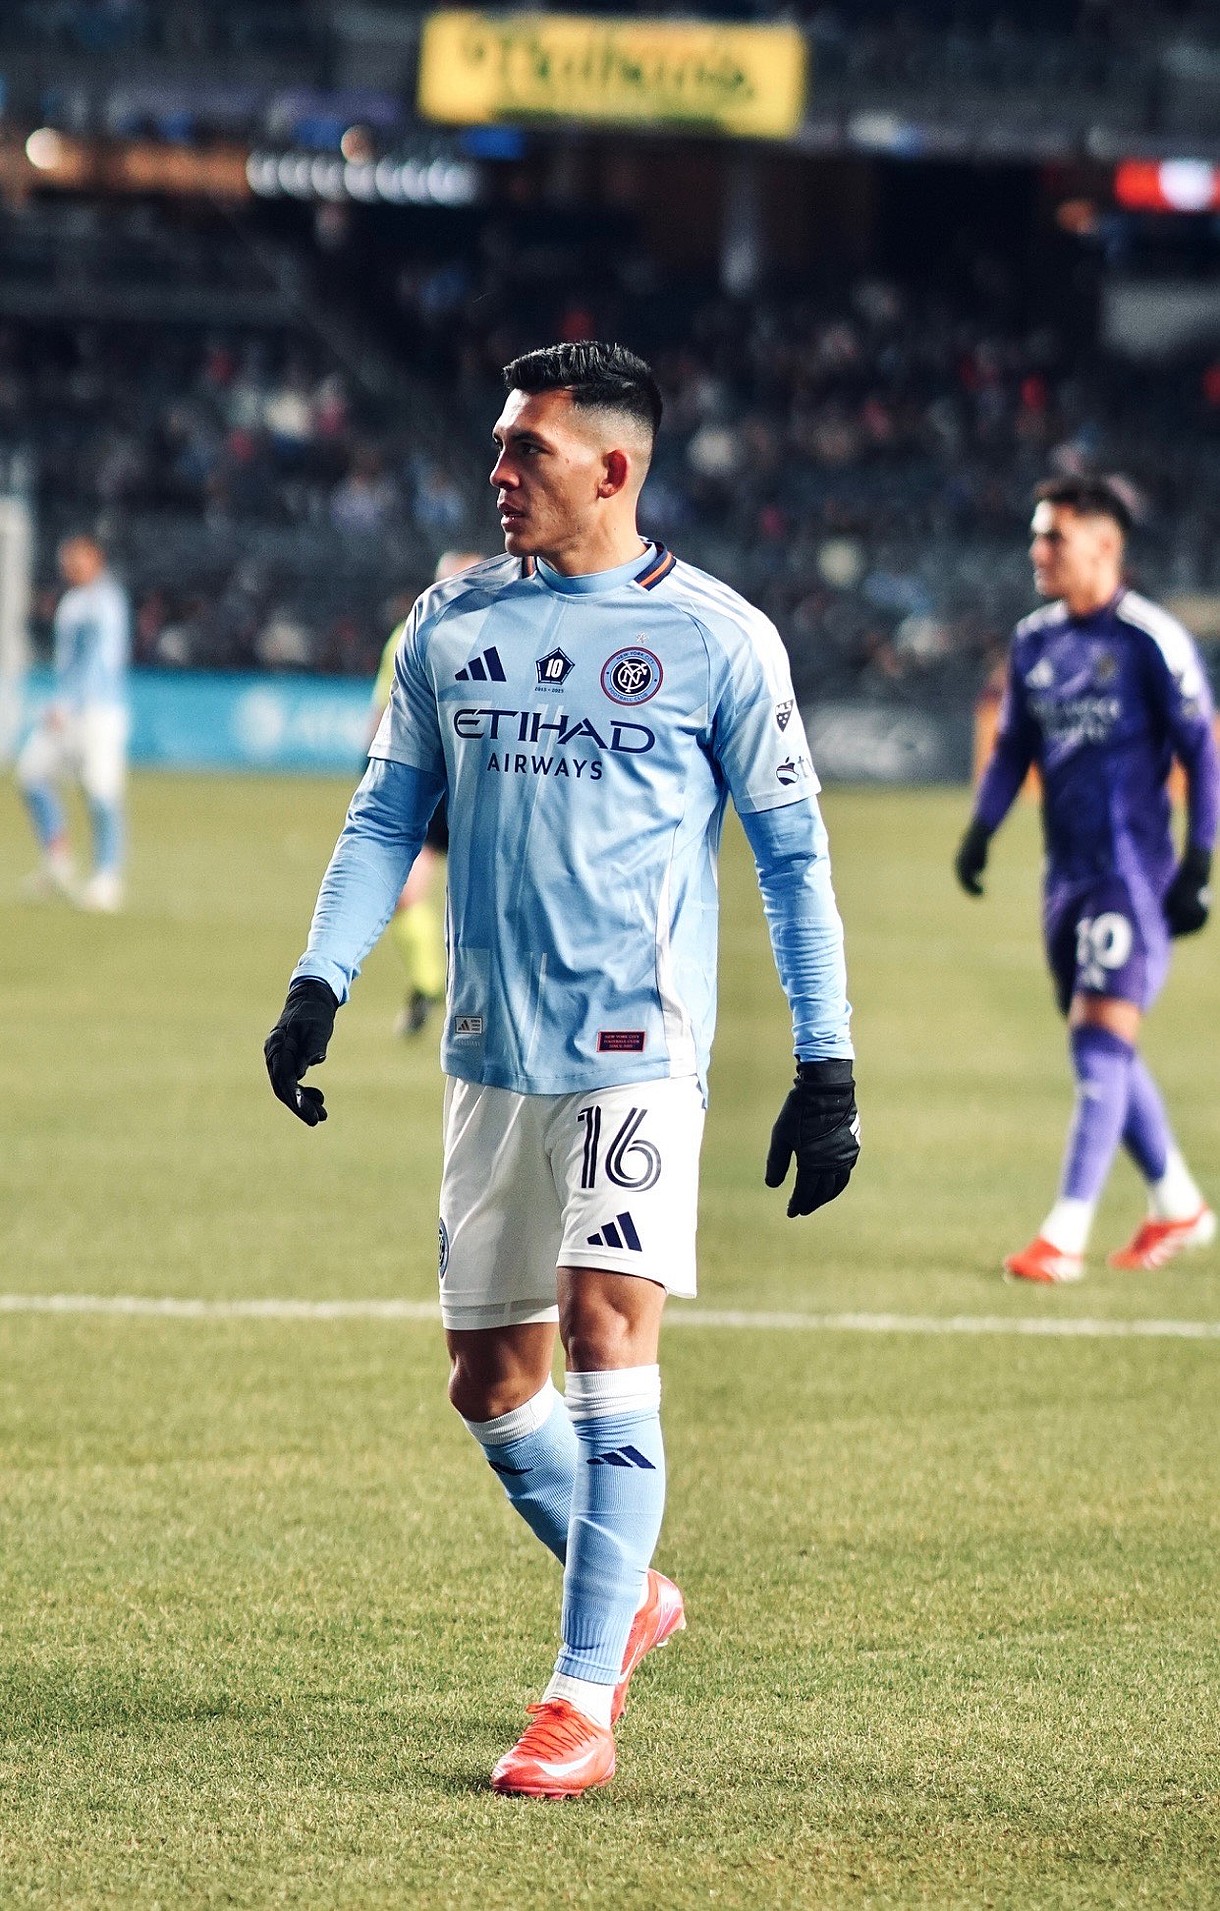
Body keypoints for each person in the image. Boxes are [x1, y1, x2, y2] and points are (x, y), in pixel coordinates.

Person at [265, 341, 858, 1798]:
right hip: (489, 1056)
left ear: (616, 466)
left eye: (527, 451)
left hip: (634, 1053)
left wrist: (825, 1057)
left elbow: (792, 861)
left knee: (608, 1334)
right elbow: (382, 815)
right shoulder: (452, 618)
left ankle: (579, 1696)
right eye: (498, 446)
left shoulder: (721, 639)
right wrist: (317, 978)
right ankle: (634, 1591)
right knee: (490, 1383)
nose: (498, 472)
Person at [955, 476, 1218, 1282]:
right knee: (1097, 1040)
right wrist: (982, 829)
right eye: (1038, 536)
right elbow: (1011, 752)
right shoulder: (1034, 640)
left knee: (1101, 1041)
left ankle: (1062, 1236)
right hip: (1062, 879)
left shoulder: (1150, 638)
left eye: (1054, 538)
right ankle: (1178, 1204)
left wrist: (1200, 859)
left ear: (1105, 546)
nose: (1039, 551)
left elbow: (1203, 748)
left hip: (1130, 876)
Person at [368, 553, 484, 1036]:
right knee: (404, 893)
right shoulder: (411, 636)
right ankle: (431, 985)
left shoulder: (506, 637)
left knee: (490, 905)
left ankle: (469, 1001)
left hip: (484, 786)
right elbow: (384, 711)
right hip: (434, 787)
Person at [17, 534, 131, 913]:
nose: (71, 567)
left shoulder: (105, 601)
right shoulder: (72, 601)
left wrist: (70, 702)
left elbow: (99, 660)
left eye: (78, 559)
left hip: (98, 711)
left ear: (95, 558)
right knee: (31, 774)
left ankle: (107, 878)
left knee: (100, 792)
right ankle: (58, 859)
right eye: (67, 561)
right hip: (67, 710)